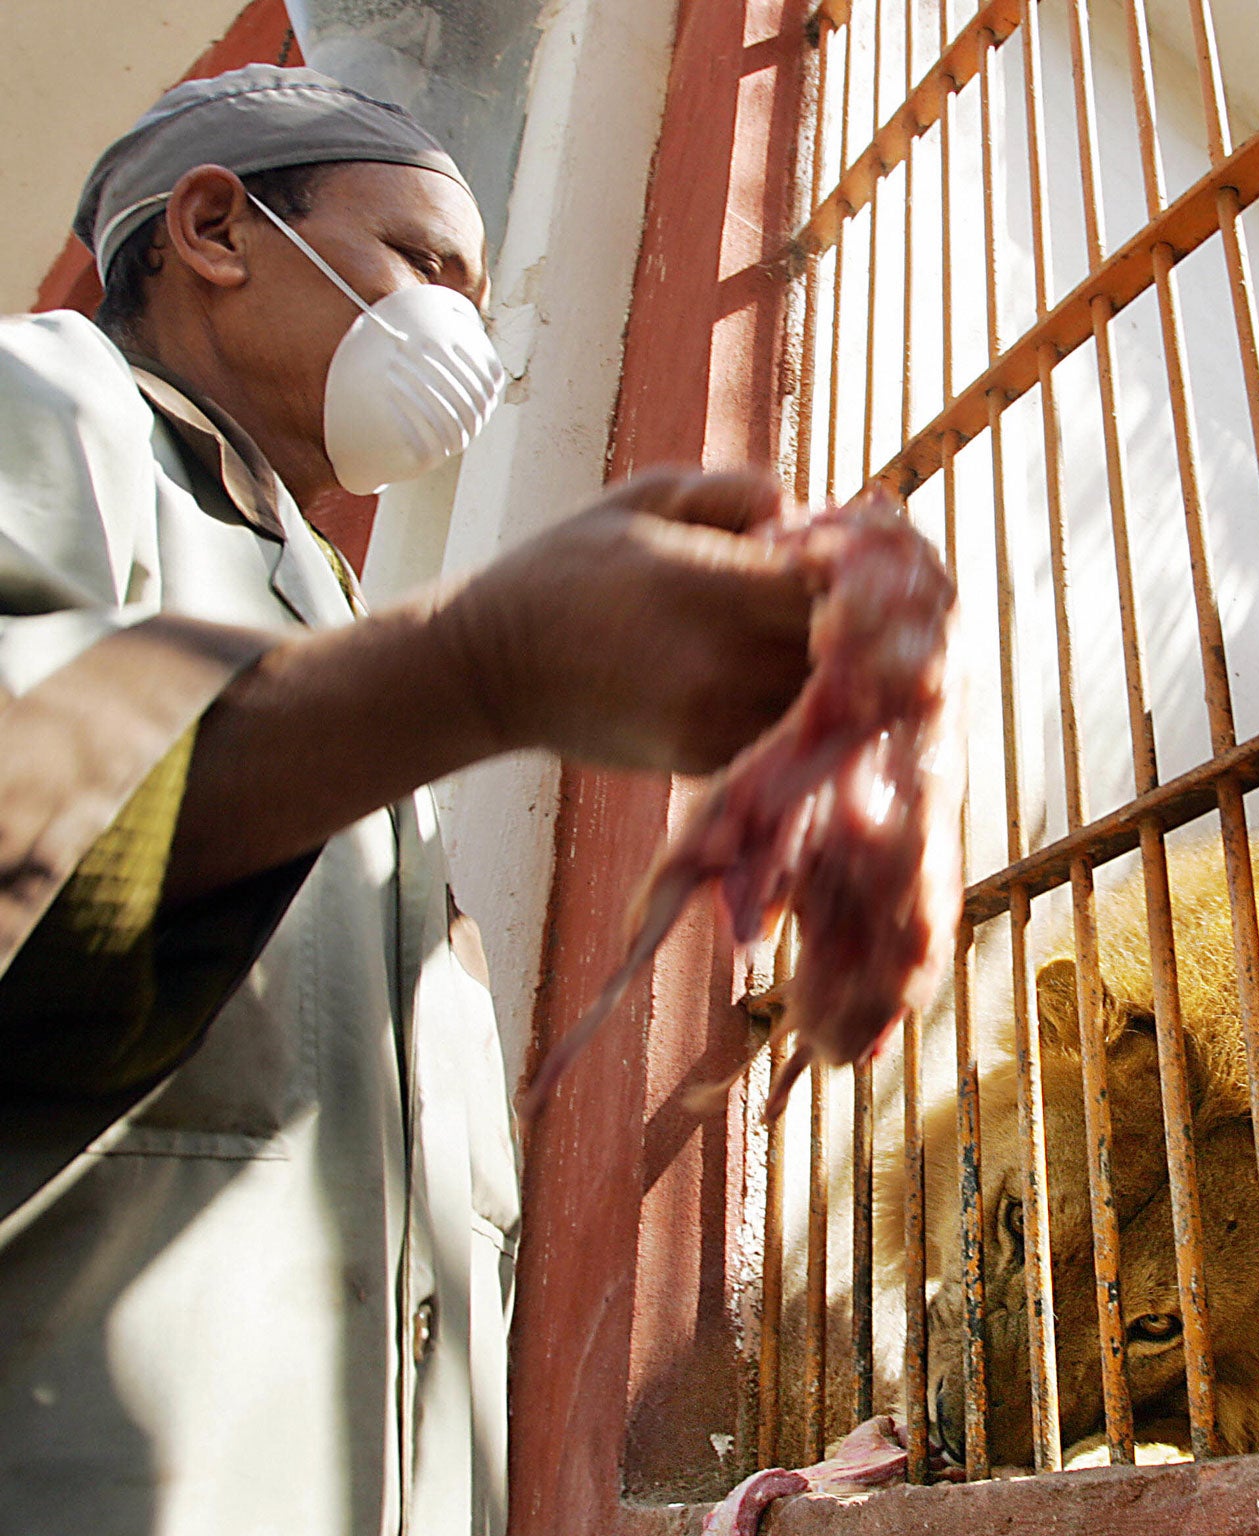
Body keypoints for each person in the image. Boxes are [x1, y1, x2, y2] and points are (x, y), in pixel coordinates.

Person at [0, 66, 814, 1534]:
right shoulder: (45, 406)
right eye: (425, 263)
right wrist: (479, 672)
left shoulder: (321, 598)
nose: (463, 333)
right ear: (214, 230)